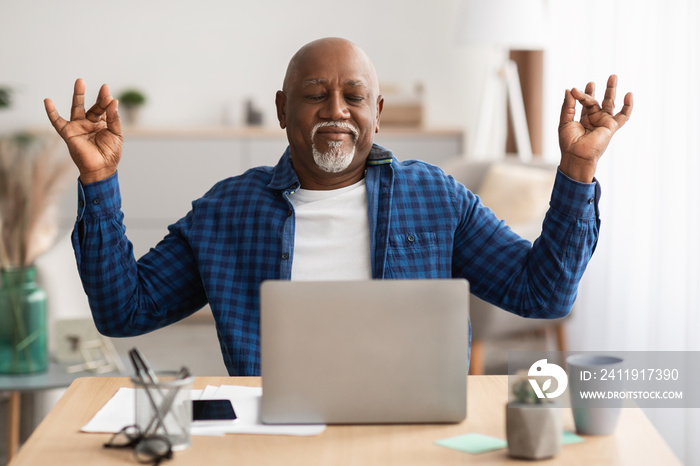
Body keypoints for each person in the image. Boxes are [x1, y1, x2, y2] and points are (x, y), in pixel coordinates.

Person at [44, 38, 633, 376]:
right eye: (314, 95)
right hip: (271, 434)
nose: (336, 110)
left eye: (353, 96)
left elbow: (545, 293)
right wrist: (98, 181)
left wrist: (578, 170)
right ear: (281, 109)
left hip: (413, 432)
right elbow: (124, 312)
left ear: (376, 111)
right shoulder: (228, 211)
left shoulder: (436, 196)